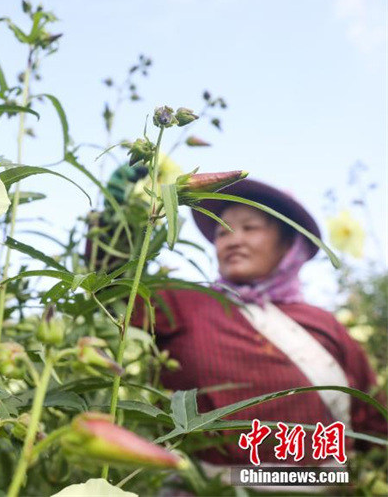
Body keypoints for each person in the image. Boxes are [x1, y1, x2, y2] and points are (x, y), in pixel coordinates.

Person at [115, 177, 387, 468]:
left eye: (250, 227)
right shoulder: (184, 302)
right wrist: (118, 206)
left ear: (288, 242)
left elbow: (374, 422)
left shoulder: (324, 323)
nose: (233, 240)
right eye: (222, 232)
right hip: (207, 489)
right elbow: (114, 284)